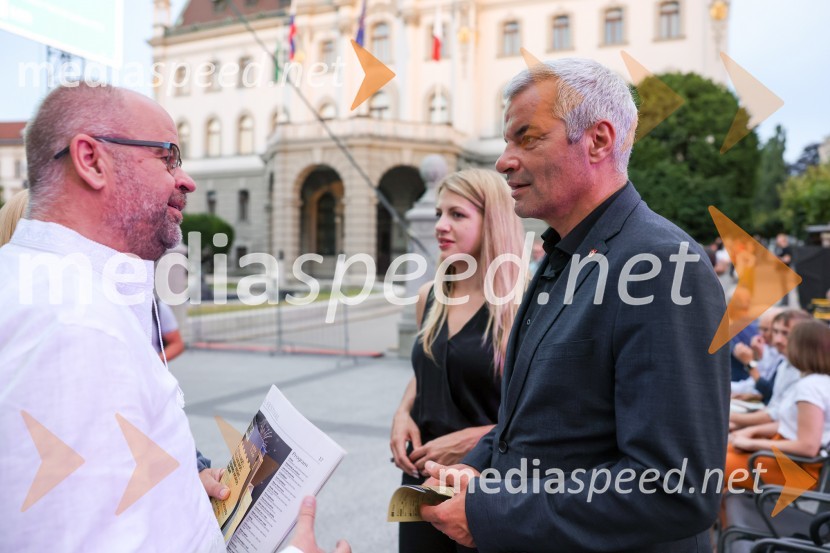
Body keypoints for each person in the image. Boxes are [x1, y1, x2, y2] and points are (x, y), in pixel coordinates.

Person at [0, 83, 344, 553]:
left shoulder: (57, 292)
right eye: (168, 157)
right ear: (91, 160)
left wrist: (179, 483)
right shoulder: (76, 329)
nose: (186, 180)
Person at [420, 58, 730, 552]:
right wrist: (474, 466)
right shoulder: (560, 256)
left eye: (527, 137)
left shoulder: (664, 264)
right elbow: (543, 422)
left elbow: (674, 489)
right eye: (507, 140)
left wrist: (491, 513)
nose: (503, 159)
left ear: (599, 140)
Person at [390, 168, 525, 553]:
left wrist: (479, 438)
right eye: (438, 214)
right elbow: (428, 370)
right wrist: (403, 413)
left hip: (484, 489)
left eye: (457, 214)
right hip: (421, 486)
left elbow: (544, 412)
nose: (441, 226)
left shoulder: (520, 306)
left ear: (493, 219)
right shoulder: (428, 297)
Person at [726, 319, 830, 489]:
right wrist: (750, 433)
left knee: (712, 465)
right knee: (720, 465)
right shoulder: (816, 382)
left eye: (790, 339)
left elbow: (808, 446)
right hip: (787, 459)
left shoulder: (810, 387)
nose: (779, 342)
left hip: (795, 468)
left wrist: (752, 443)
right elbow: (788, 424)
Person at [729, 309, 812, 431]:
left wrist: (750, 363)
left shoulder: (803, 369)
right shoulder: (783, 362)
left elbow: (770, 399)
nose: (777, 339)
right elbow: (772, 401)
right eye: (775, 332)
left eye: (785, 333)